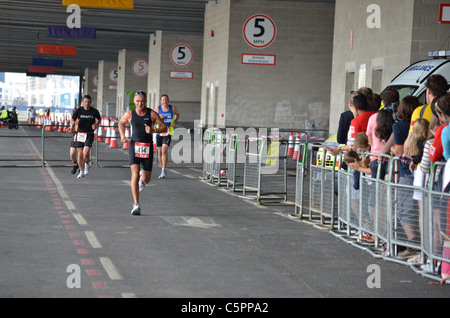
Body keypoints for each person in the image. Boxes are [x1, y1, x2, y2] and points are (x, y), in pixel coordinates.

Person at [119, 91, 167, 215]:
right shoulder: (130, 114)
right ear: (134, 102)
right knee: (134, 174)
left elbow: (164, 127)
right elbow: (121, 123)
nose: (140, 103)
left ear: (145, 101)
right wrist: (122, 135)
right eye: (138, 101)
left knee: (146, 179)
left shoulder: (151, 113)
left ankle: (142, 178)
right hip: (134, 146)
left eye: (142, 101)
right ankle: (136, 205)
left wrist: (153, 129)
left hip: (147, 147)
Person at [390, 95, 421, 258]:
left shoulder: (399, 127)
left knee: (405, 211)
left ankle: (413, 244)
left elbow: (400, 152)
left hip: (406, 173)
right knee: (420, 212)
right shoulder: (422, 123)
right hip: (421, 171)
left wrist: (392, 151)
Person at [70, 95, 101, 179]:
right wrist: (74, 123)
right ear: (83, 102)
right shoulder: (79, 110)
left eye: (88, 102)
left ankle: (86, 164)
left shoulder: (94, 111)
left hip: (89, 134)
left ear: (90, 102)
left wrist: (96, 124)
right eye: (85, 102)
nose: (86, 104)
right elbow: (72, 119)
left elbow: (99, 119)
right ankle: (81, 171)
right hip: (80, 134)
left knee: (85, 152)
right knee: (80, 155)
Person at [155, 94, 180, 179]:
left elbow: (177, 115)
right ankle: (163, 169)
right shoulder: (158, 109)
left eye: (166, 100)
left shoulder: (173, 108)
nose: (164, 101)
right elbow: (153, 119)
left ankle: (163, 170)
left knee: (164, 149)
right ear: (161, 101)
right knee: (159, 151)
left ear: (168, 100)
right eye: (163, 100)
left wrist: (175, 121)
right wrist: (158, 117)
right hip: (159, 132)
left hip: (168, 131)